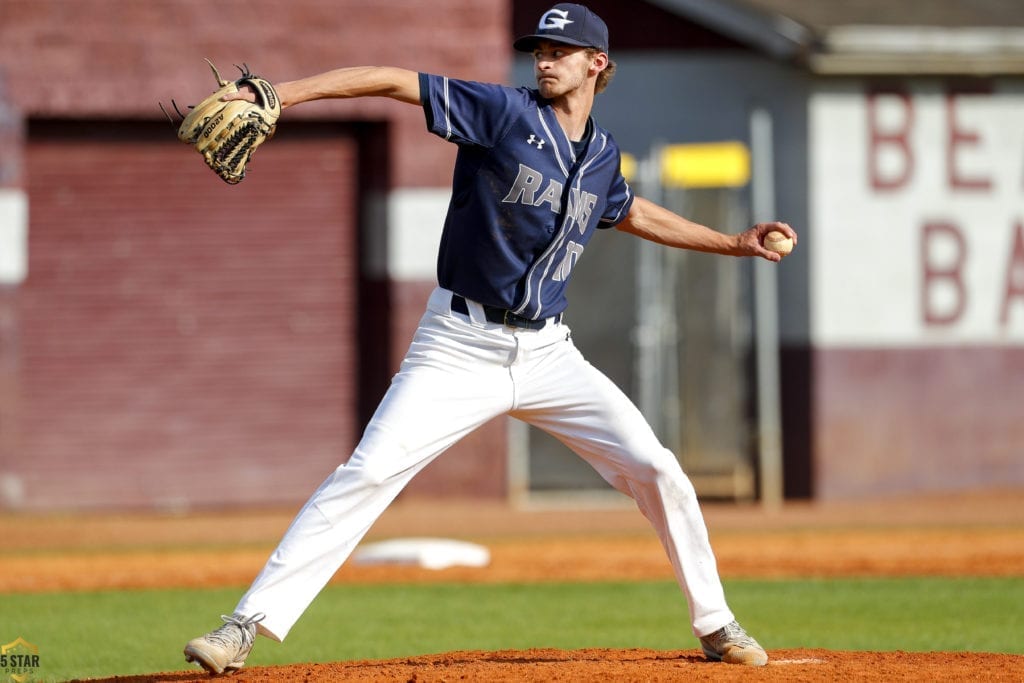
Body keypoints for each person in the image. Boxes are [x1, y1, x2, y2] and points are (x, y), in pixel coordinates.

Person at [183, 2, 796, 674]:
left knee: (658, 469)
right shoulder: (503, 113)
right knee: (368, 471)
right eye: (539, 48)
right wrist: (285, 94)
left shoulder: (600, 155)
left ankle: (716, 624)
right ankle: (244, 625)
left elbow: (630, 208)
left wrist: (734, 243)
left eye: (560, 50)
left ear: (597, 64)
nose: (544, 59)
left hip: (548, 353)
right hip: (457, 345)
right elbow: (393, 80)